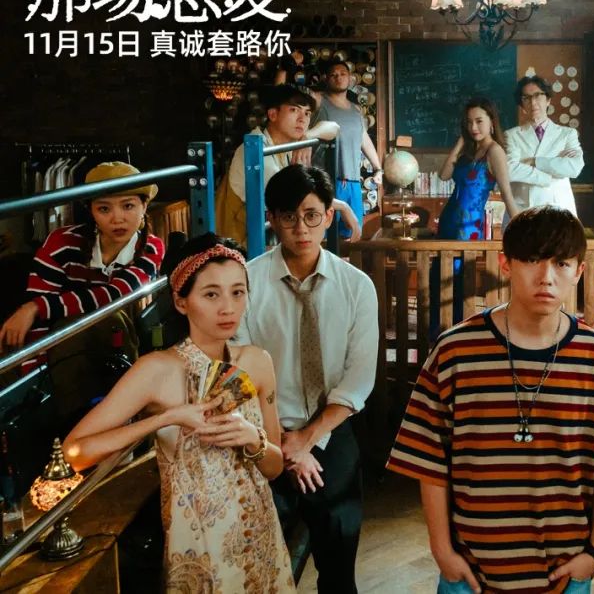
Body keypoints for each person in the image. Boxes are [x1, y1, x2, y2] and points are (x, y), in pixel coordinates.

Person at [387, 206, 594, 593]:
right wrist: (442, 550)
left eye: (561, 263)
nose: (546, 277)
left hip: (565, 572)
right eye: (531, 260)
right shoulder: (455, 351)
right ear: (505, 264)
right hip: (470, 572)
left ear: (579, 271)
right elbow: (430, 460)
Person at [63, 233, 294, 593]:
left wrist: (254, 439)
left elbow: (274, 468)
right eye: (211, 294)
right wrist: (166, 418)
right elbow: (75, 452)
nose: (228, 308)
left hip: (260, 535)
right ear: (181, 301)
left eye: (238, 292)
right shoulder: (156, 369)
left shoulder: (257, 362)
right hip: (199, 549)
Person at [235, 165, 378, 594]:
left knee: (339, 565)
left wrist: (308, 439)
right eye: (289, 216)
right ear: (272, 219)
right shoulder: (246, 284)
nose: (301, 228)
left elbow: (358, 378)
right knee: (263, 567)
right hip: (263, 435)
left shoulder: (357, 287)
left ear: (329, 217)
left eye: (312, 215)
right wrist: (287, 446)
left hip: (332, 431)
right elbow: (242, 376)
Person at [0, 161, 164, 385]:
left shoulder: (150, 247)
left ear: (144, 206)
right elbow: (37, 323)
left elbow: (114, 297)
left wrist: (35, 307)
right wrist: (36, 378)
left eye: (128, 206)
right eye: (104, 209)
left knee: (105, 319)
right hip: (56, 350)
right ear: (91, 210)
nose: (117, 218)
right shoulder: (61, 243)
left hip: (115, 348)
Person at [216, 84, 360, 248]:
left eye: (307, 113)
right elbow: (296, 196)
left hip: (263, 239)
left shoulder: (286, 146)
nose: (302, 119)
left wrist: (308, 136)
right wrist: (343, 206)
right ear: (273, 114)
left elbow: (334, 127)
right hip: (236, 246)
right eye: (294, 110)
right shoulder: (255, 149)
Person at [312, 61, 383, 240]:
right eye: (333, 74)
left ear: (351, 79)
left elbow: (364, 139)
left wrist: (378, 168)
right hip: (327, 181)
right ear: (326, 79)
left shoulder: (356, 109)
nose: (339, 77)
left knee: (352, 238)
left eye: (343, 74)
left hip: (352, 182)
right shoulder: (319, 101)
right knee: (323, 237)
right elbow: (287, 95)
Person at [436, 97, 521, 239]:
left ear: (491, 122)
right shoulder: (468, 151)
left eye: (479, 121)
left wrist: (522, 228)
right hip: (448, 221)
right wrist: (460, 143)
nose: (473, 127)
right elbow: (444, 175)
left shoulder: (494, 151)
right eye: (469, 122)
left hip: (469, 226)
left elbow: (506, 194)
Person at [505, 75, 584, 216]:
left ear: (548, 100)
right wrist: (550, 173)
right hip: (524, 210)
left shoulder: (567, 134)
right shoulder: (511, 135)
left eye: (537, 95)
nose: (533, 102)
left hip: (558, 208)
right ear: (521, 105)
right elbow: (510, 170)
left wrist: (535, 161)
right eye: (526, 98)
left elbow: (574, 168)